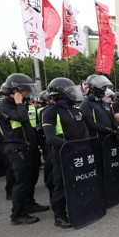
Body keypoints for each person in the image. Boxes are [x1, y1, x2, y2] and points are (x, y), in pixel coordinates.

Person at [0, 74, 49, 225]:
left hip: (29, 147)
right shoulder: (4, 107)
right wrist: (19, 102)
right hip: (17, 149)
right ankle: (17, 215)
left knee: (32, 178)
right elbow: (22, 118)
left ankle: (29, 204)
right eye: (25, 90)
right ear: (15, 91)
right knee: (22, 182)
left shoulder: (23, 104)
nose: (28, 92)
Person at [42, 77, 88, 228]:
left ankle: (79, 208)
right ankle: (59, 216)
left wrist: (85, 145)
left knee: (80, 182)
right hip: (61, 154)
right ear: (61, 93)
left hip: (78, 153)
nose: (74, 93)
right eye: (70, 91)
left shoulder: (76, 110)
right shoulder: (49, 112)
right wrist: (70, 147)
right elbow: (50, 138)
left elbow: (84, 130)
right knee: (60, 185)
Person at [80, 75, 119, 142]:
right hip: (95, 141)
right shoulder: (85, 104)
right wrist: (111, 130)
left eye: (105, 87)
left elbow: (113, 120)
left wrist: (118, 128)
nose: (105, 89)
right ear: (92, 86)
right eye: (103, 87)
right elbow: (91, 124)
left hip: (108, 140)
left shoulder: (105, 103)